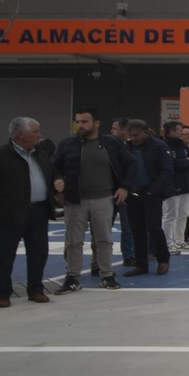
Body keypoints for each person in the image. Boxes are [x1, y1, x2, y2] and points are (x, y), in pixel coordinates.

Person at [0, 117, 58, 306]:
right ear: (21, 134)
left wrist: (57, 181)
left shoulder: (41, 153)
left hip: (38, 212)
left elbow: (52, 173)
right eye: (35, 131)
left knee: (39, 253)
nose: (39, 135)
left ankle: (36, 290)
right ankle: (3, 294)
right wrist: (1, 203)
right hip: (6, 214)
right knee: (4, 255)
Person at [50, 107, 131, 294]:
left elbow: (130, 164)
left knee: (104, 239)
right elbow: (53, 166)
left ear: (96, 123)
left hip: (103, 198)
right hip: (75, 200)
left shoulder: (111, 143)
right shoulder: (68, 143)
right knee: (73, 241)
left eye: (84, 122)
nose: (80, 125)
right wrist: (57, 183)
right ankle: (72, 277)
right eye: (78, 122)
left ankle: (107, 275)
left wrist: (124, 187)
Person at [123, 119, 174, 276]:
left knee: (153, 227)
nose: (132, 138)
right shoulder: (127, 147)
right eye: (130, 135)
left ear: (145, 132)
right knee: (136, 229)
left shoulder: (159, 146)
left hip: (151, 193)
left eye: (136, 135)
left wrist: (154, 190)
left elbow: (167, 170)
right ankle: (141, 264)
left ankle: (163, 260)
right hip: (133, 193)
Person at [161, 121, 189, 254]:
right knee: (170, 215)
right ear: (172, 132)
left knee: (184, 214)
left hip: (186, 185)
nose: (182, 133)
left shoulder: (182, 145)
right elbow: (172, 164)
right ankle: (168, 243)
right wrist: (184, 162)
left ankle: (180, 240)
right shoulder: (163, 145)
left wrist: (185, 162)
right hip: (172, 186)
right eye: (180, 130)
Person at [110, 117, 136, 266]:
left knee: (128, 227)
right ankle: (99, 259)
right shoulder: (107, 146)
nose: (111, 131)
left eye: (114, 128)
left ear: (124, 130)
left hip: (128, 191)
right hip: (108, 191)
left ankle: (129, 255)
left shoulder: (133, 146)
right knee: (103, 228)